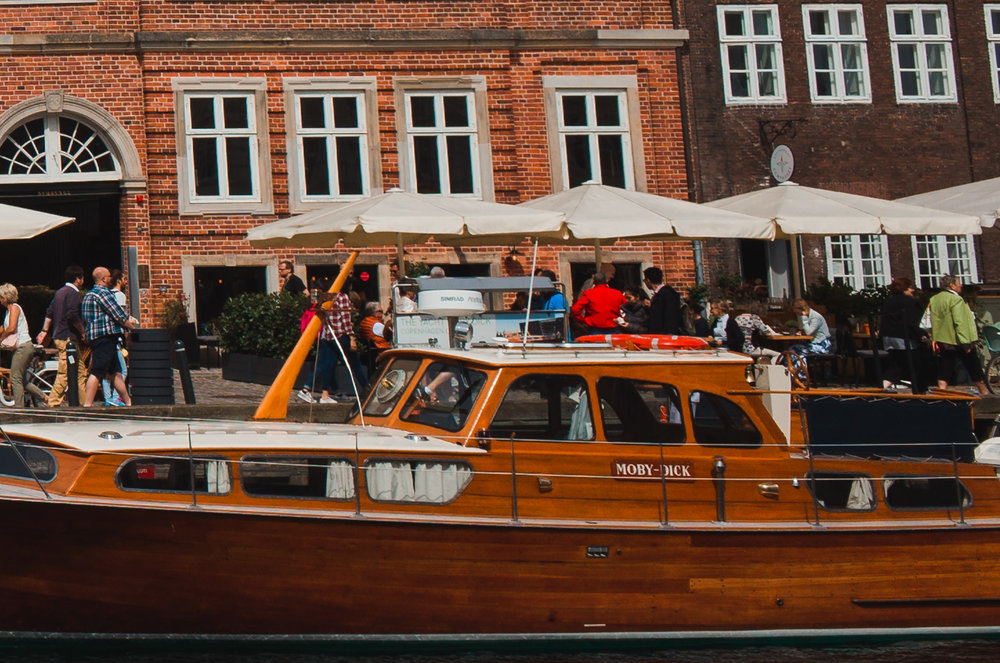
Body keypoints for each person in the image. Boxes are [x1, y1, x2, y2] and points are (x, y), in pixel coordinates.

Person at [298, 288, 367, 404]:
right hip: (341, 334)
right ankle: (367, 391)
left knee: (328, 364)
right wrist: (351, 337)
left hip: (329, 335)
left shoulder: (326, 296)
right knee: (355, 365)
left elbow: (311, 305)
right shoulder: (342, 296)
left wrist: (321, 308)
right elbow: (345, 320)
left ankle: (324, 394)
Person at [81, 267, 137, 407]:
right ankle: (87, 406)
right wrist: (132, 328)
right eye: (109, 275)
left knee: (116, 372)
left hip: (95, 337)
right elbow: (118, 314)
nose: (111, 277)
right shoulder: (103, 293)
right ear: (104, 279)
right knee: (97, 372)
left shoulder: (89, 295)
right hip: (106, 337)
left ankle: (129, 403)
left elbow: (86, 319)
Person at [36, 265, 88, 407]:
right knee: (65, 372)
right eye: (82, 278)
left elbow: (50, 312)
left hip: (58, 335)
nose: (83, 281)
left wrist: (44, 331)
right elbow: (72, 314)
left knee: (80, 372)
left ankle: (83, 404)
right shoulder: (72, 293)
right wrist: (83, 331)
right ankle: (53, 401)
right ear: (78, 278)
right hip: (68, 337)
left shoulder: (59, 292)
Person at [928, 274, 987, 394]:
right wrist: (966, 342)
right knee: (973, 364)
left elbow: (932, 319)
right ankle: (984, 392)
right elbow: (960, 321)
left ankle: (941, 390)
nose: (961, 285)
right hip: (958, 338)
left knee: (946, 363)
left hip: (943, 338)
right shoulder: (956, 300)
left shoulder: (935, 299)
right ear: (952, 285)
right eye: (958, 283)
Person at [0, 284, 47, 407]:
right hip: (20, 347)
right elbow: (3, 328)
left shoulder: (15, 308)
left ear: (6, 296)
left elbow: (11, 328)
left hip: (23, 346)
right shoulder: (8, 310)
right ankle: (45, 397)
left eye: (1, 296)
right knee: (22, 379)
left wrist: (1, 339)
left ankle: (19, 409)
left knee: (15, 378)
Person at [879, 276, 929, 392]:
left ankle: (883, 385)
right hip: (904, 338)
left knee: (897, 364)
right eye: (911, 288)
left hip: (888, 338)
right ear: (906, 289)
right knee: (916, 365)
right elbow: (913, 323)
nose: (912, 290)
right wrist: (922, 336)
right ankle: (919, 392)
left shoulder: (889, 301)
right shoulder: (910, 303)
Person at [101, 269, 130, 406]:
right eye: (124, 279)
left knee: (107, 371)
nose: (126, 282)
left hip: (105, 336)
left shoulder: (106, 295)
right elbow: (121, 317)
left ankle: (108, 398)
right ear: (119, 280)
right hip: (116, 337)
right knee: (122, 370)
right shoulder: (120, 296)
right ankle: (115, 397)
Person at [571, 270, 626, 335]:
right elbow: (626, 308)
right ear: (606, 281)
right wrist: (622, 319)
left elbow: (575, 309)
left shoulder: (589, 294)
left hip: (594, 327)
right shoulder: (617, 293)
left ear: (594, 282)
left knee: (596, 345)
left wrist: (582, 321)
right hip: (614, 326)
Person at [643, 266, 683, 335]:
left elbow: (671, 316)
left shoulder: (667, 294)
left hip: (665, 336)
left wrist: (668, 336)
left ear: (648, 280)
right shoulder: (660, 294)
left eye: (644, 280)